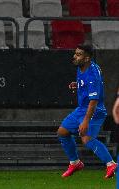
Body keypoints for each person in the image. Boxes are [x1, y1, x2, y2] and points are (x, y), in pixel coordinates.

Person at [57, 45, 117, 178]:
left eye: (78, 54)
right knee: (62, 132)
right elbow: (87, 85)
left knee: (86, 138)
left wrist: (85, 121)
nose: (75, 56)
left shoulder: (92, 75)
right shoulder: (83, 66)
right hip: (82, 108)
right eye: (75, 53)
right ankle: (75, 162)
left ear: (87, 58)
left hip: (94, 110)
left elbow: (94, 101)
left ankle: (111, 164)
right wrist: (78, 84)